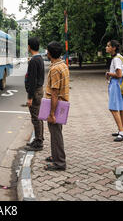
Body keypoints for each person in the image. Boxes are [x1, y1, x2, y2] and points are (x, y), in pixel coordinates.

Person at [43, 41, 70, 171]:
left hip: (56, 104)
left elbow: (54, 92)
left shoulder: (54, 69)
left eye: (47, 50)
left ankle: (59, 162)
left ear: (49, 52)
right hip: (63, 102)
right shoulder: (63, 65)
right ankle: (56, 156)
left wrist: (51, 113)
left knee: (55, 133)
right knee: (56, 132)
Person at [24, 37, 45, 152]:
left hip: (35, 91)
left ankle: (38, 142)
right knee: (38, 116)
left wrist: (30, 97)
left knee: (35, 118)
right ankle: (39, 138)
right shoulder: (40, 58)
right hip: (39, 90)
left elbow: (32, 80)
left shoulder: (33, 61)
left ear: (29, 46)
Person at [105, 40, 123, 142]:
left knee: (113, 108)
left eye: (108, 46)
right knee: (122, 107)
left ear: (113, 48)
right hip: (120, 85)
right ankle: (122, 130)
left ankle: (121, 132)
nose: (106, 47)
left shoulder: (116, 60)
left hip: (115, 84)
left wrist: (109, 74)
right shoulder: (120, 57)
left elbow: (119, 74)